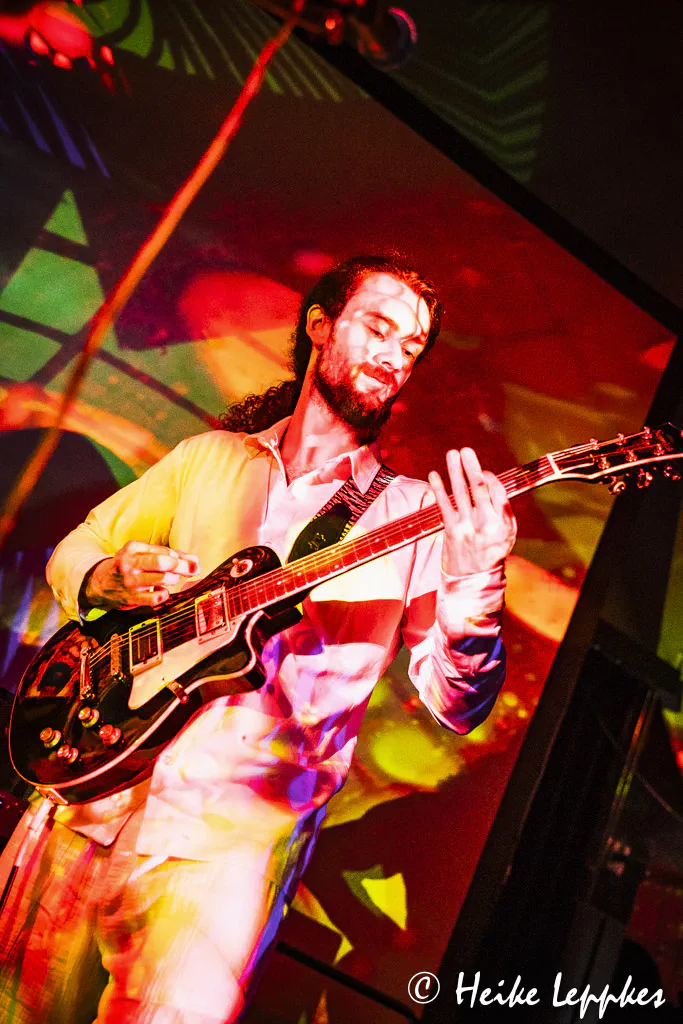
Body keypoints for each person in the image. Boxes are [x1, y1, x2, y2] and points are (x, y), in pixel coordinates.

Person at [0, 254, 517, 1023]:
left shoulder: (413, 515)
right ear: (320, 326)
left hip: (223, 853)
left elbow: (455, 702)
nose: (392, 355)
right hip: (89, 793)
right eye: (377, 328)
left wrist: (478, 580)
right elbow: (76, 550)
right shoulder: (208, 459)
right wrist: (109, 576)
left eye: (409, 347)